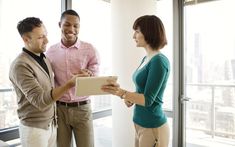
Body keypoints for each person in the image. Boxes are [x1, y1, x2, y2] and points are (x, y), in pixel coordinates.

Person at [9, 17, 80, 147]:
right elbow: (40, 101)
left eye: (45, 35)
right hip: (34, 131)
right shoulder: (20, 65)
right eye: (41, 37)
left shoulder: (44, 58)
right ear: (26, 39)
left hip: (51, 125)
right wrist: (70, 84)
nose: (47, 40)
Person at [102, 15, 170, 147]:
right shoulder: (146, 59)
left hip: (152, 126)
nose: (134, 36)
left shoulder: (159, 61)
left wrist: (121, 92)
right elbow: (142, 91)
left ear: (149, 32)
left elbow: (148, 99)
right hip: (139, 123)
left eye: (137, 31)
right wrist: (130, 98)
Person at [46, 9, 100, 147]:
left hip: (82, 109)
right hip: (60, 110)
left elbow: (95, 74)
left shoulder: (90, 49)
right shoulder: (50, 51)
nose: (71, 29)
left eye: (76, 26)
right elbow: (47, 78)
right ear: (60, 25)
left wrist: (89, 74)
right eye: (67, 24)